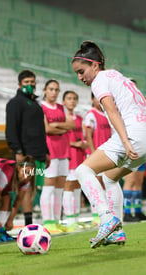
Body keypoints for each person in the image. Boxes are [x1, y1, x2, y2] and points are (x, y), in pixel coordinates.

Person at [71, 41, 146, 248]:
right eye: (77, 74)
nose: (80, 78)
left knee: (82, 171)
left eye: (81, 72)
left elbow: (113, 111)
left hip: (132, 137)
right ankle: (116, 232)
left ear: (95, 66)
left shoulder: (99, 81)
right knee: (109, 179)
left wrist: (125, 142)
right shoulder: (118, 77)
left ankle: (106, 218)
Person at [5, 70, 49, 226]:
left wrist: (46, 152)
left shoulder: (35, 104)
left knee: (34, 187)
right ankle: (22, 222)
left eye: (32, 82)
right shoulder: (15, 103)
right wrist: (17, 151)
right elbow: (11, 130)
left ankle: (29, 221)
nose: (30, 85)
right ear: (19, 84)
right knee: (25, 187)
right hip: (25, 154)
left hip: (39, 154)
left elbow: (41, 131)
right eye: (26, 82)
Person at [41, 80, 75, 233]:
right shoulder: (41, 107)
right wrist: (60, 128)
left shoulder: (61, 107)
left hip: (64, 150)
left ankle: (56, 220)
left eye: (56, 89)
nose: (54, 92)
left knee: (60, 188)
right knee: (48, 186)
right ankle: (47, 222)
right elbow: (46, 129)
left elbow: (72, 125)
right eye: (51, 89)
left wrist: (56, 126)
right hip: (51, 151)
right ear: (45, 90)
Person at [83, 92, 112, 225]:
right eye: (96, 97)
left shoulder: (107, 113)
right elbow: (88, 135)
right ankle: (97, 214)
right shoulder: (91, 114)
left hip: (106, 154)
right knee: (97, 183)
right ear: (92, 99)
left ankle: (106, 212)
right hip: (95, 154)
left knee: (106, 182)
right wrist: (94, 153)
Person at [61, 90, 88, 230]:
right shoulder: (62, 118)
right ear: (64, 102)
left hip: (80, 155)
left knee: (78, 186)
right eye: (69, 98)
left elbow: (82, 136)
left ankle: (76, 217)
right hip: (69, 155)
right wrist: (74, 144)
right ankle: (69, 218)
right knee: (69, 186)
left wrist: (83, 144)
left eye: (74, 98)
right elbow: (61, 137)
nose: (72, 101)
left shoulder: (79, 118)